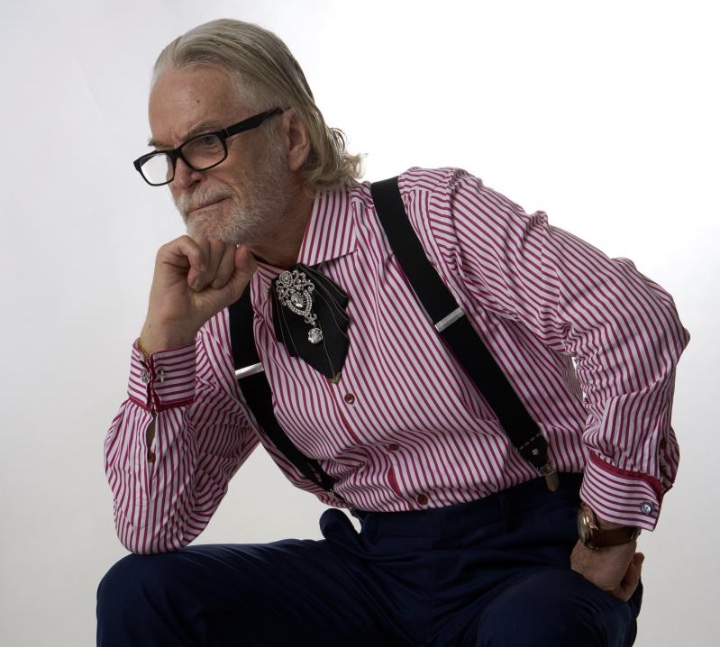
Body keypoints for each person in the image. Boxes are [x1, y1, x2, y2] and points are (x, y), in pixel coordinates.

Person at [97, 18, 689, 647]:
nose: (182, 177)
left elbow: (631, 319)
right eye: (166, 156)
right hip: (377, 571)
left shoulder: (432, 217)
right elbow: (150, 528)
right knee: (141, 591)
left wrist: (607, 536)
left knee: (533, 629)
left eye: (205, 142)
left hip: (534, 554)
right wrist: (164, 341)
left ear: (291, 137)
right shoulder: (219, 313)